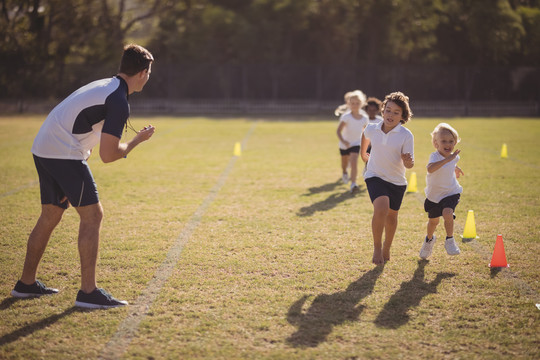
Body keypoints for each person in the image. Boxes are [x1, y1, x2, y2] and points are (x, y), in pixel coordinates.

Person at [10, 44, 155, 309]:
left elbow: (82, 125)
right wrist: (136, 141)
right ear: (143, 73)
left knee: (51, 214)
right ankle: (88, 292)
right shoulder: (118, 100)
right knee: (93, 216)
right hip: (61, 152)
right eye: (149, 72)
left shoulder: (108, 85)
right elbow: (109, 155)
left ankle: (25, 284)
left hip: (44, 147)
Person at [360, 91, 414, 265]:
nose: (391, 115)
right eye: (388, 110)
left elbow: (409, 165)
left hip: (397, 181)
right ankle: (376, 247)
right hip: (374, 175)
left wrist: (408, 161)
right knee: (381, 208)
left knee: (392, 216)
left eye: (396, 112)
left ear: (403, 116)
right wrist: (363, 152)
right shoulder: (373, 128)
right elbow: (365, 134)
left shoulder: (406, 135)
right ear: (382, 110)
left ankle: (387, 246)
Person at [419, 123, 464, 259]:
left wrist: (455, 168)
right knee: (433, 222)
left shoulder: (453, 156)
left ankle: (450, 240)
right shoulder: (435, 156)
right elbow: (430, 169)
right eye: (443, 141)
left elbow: (452, 162)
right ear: (436, 143)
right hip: (434, 196)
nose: (448, 144)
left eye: (451, 141)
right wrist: (449, 161)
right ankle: (429, 239)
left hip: (451, 191)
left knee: (448, 213)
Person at [336, 90, 369, 193]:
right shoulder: (346, 117)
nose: (355, 105)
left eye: (357, 103)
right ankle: (345, 172)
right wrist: (343, 141)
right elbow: (338, 131)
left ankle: (353, 184)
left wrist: (367, 143)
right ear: (349, 104)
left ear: (362, 103)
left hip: (356, 143)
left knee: (354, 162)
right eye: (353, 103)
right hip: (344, 144)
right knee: (344, 162)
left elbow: (366, 132)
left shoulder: (364, 118)